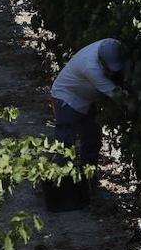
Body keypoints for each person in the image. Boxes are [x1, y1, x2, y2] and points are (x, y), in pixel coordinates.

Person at [50, 38, 126, 170]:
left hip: (86, 98)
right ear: (101, 60)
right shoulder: (91, 68)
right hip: (67, 98)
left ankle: (88, 175)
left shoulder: (111, 44)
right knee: (65, 143)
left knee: (92, 137)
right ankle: (60, 179)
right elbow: (115, 94)